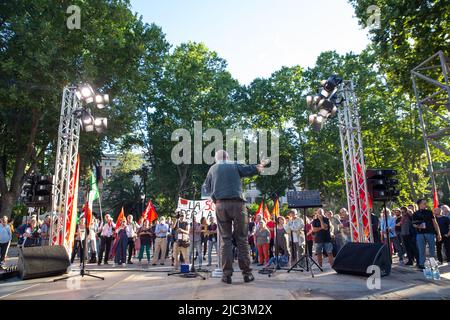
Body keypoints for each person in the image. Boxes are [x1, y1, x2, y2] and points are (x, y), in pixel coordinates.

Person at [202, 150, 265, 284]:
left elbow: (206, 188)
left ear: (216, 159)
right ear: (228, 157)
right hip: (238, 205)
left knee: (225, 240)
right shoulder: (234, 164)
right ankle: (247, 274)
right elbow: (251, 169)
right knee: (242, 239)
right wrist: (259, 167)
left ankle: (226, 276)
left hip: (220, 205)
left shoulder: (212, 169)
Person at [412, 199, 442, 269]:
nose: (426, 204)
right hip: (420, 233)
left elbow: (435, 223)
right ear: (419, 205)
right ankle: (421, 265)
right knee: (421, 250)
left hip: (430, 232)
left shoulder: (429, 212)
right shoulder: (415, 213)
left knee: (432, 249)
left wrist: (439, 234)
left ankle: (432, 264)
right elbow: (413, 224)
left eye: (426, 203)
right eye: (424, 203)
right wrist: (417, 226)